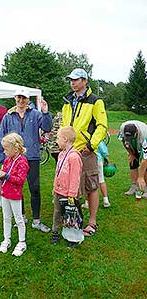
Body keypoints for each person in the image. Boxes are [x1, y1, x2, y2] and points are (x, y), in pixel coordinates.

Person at [0, 88, 52, 233]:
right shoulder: (8, 116)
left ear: (28, 100)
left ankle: (36, 220)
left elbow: (47, 127)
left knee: (34, 188)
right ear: (15, 98)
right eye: (19, 98)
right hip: (13, 159)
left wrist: (46, 112)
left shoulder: (35, 114)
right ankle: (21, 217)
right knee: (16, 189)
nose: (21, 101)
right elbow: (1, 137)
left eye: (24, 98)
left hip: (32, 157)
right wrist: (2, 158)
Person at [61, 68, 107, 237]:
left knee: (91, 187)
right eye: (71, 80)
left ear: (85, 81)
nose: (72, 82)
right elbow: (65, 125)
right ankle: (74, 221)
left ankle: (92, 222)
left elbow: (102, 126)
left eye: (76, 79)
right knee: (71, 188)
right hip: (69, 151)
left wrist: (91, 145)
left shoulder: (95, 101)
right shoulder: (67, 101)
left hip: (86, 151)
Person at [0, 132, 29, 256]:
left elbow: (20, 180)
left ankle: (22, 242)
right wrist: (1, 175)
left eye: (6, 149)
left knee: (19, 219)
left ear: (15, 149)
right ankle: (7, 239)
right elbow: (5, 174)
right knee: (6, 217)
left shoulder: (22, 162)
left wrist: (6, 176)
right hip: (4, 193)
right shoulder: (8, 160)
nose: (4, 152)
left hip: (15, 195)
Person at [51, 126, 83, 247]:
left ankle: (73, 238)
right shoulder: (61, 154)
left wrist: (72, 195)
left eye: (58, 138)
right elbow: (58, 172)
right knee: (57, 212)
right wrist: (55, 187)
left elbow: (75, 178)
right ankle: (55, 232)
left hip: (69, 194)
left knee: (71, 215)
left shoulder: (74, 157)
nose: (56, 141)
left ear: (65, 139)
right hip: (59, 191)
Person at [118, 120, 147, 196]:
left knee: (146, 167)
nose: (129, 139)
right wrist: (132, 154)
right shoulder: (122, 128)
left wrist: (141, 177)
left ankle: (146, 189)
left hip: (143, 143)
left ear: (136, 132)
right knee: (133, 162)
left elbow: (145, 159)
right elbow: (123, 142)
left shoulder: (145, 134)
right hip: (134, 145)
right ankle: (134, 187)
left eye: (131, 137)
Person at [82, 140, 110, 209]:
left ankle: (87, 202)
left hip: (87, 161)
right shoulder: (97, 138)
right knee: (101, 180)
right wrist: (106, 158)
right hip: (98, 160)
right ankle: (105, 200)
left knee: (87, 182)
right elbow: (104, 151)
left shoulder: (83, 138)